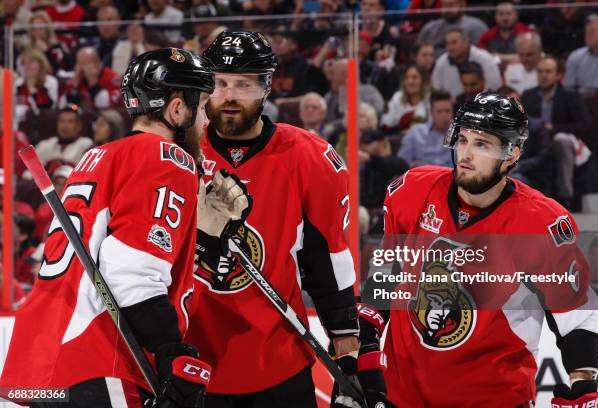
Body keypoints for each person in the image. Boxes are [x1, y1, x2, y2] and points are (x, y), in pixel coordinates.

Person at [0, 48, 250, 407]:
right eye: (202, 109)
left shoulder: (98, 155)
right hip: (99, 361)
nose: (206, 123)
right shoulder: (168, 158)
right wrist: (171, 353)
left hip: (44, 362)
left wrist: (205, 236)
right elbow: (130, 273)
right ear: (177, 109)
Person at [360, 92, 598, 407]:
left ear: (512, 154)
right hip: (403, 396)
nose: (466, 154)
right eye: (462, 139)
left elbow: (576, 315)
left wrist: (582, 383)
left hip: (493, 398)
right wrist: (360, 344)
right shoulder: (412, 191)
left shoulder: (541, 224)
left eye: (482, 144)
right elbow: (387, 275)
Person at [185, 31, 379, 408]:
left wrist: (348, 353)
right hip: (192, 362)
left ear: (266, 88)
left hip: (279, 361)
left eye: (243, 84)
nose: (229, 95)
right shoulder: (176, 153)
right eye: (220, 84)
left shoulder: (309, 157)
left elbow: (327, 263)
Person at [521, 57, 591, 209]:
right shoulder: (528, 95)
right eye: (540, 72)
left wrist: (553, 128)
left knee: (561, 140)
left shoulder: (570, 96)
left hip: (563, 140)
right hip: (536, 141)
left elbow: (585, 125)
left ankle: (565, 194)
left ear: (559, 75)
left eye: (548, 72)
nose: (543, 75)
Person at [431, 28, 502, 98]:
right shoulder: (441, 63)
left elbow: (494, 87)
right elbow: (436, 89)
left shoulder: (485, 59)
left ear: (466, 42)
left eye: (454, 42)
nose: (450, 47)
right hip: (451, 106)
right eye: (447, 44)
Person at [397, 90, 454, 168]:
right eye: (439, 112)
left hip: (449, 177)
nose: (444, 116)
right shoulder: (416, 133)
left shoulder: (460, 135)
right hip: (422, 176)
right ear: (431, 113)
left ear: (452, 112)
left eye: (447, 111)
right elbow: (401, 162)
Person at [380, 64, 430, 133]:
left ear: (424, 80)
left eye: (414, 77)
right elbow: (387, 125)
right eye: (406, 78)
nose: (410, 81)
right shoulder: (397, 98)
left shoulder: (431, 100)